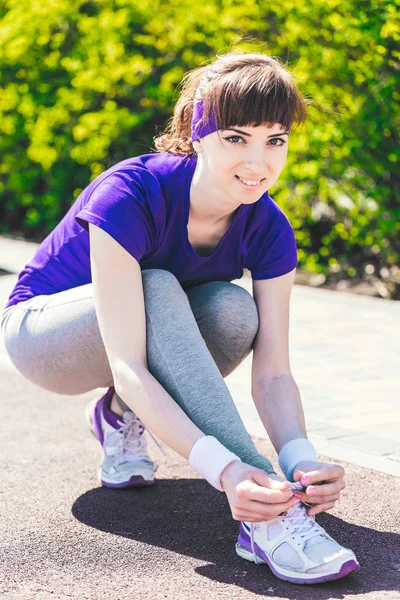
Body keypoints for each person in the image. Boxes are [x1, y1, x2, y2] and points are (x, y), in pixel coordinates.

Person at [1, 51, 359, 584]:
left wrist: (299, 459)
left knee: (234, 311)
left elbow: (275, 373)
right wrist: (226, 470)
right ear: (197, 133)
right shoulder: (131, 193)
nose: (258, 163)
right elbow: (127, 360)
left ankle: (121, 415)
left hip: (139, 334)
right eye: (236, 138)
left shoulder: (269, 227)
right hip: (44, 337)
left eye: (275, 140)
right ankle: (269, 517)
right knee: (157, 284)